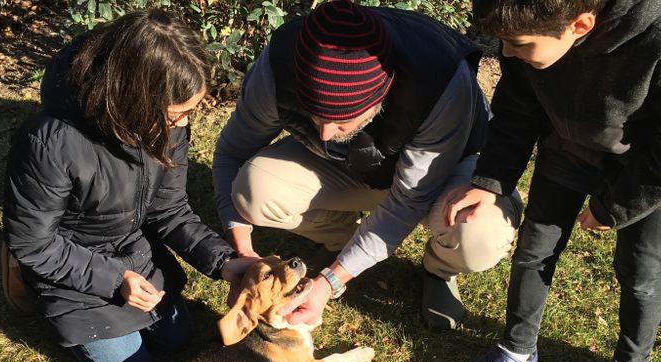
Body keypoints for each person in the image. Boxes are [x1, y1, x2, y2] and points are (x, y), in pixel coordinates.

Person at [212, 0, 522, 329]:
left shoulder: (438, 82)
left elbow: (408, 200)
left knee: (479, 230)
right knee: (253, 190)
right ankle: (340, 242)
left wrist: (329, 282)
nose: (325, 133)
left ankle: (440, 269)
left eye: (341, 122)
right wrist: (243, 250)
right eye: (314, 115)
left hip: (445, 173)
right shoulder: (277, 67)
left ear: (381, 97)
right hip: (356, 166)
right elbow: (231, 153)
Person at [449, 0, 661, 362]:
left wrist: (615, 207)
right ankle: (518, 350)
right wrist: (491, 180)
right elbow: (518, 107)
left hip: (646, 173)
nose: (507, 52)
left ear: (581, 25)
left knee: (643, 271)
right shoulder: (522, 25)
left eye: (518, 45)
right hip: (567, 151)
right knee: (534, 251)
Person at [2, 10, 257, 362]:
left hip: (131, 247)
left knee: (176, 339)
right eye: (176, 115)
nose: (183, 125)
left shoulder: (164, 125)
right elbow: (35, 242)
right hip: (69, 261)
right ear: (132, 98)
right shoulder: (50, 140)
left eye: (189, 113)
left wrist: (222, 262)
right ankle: (25, 282)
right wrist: (115, 280)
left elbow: (169, 210)